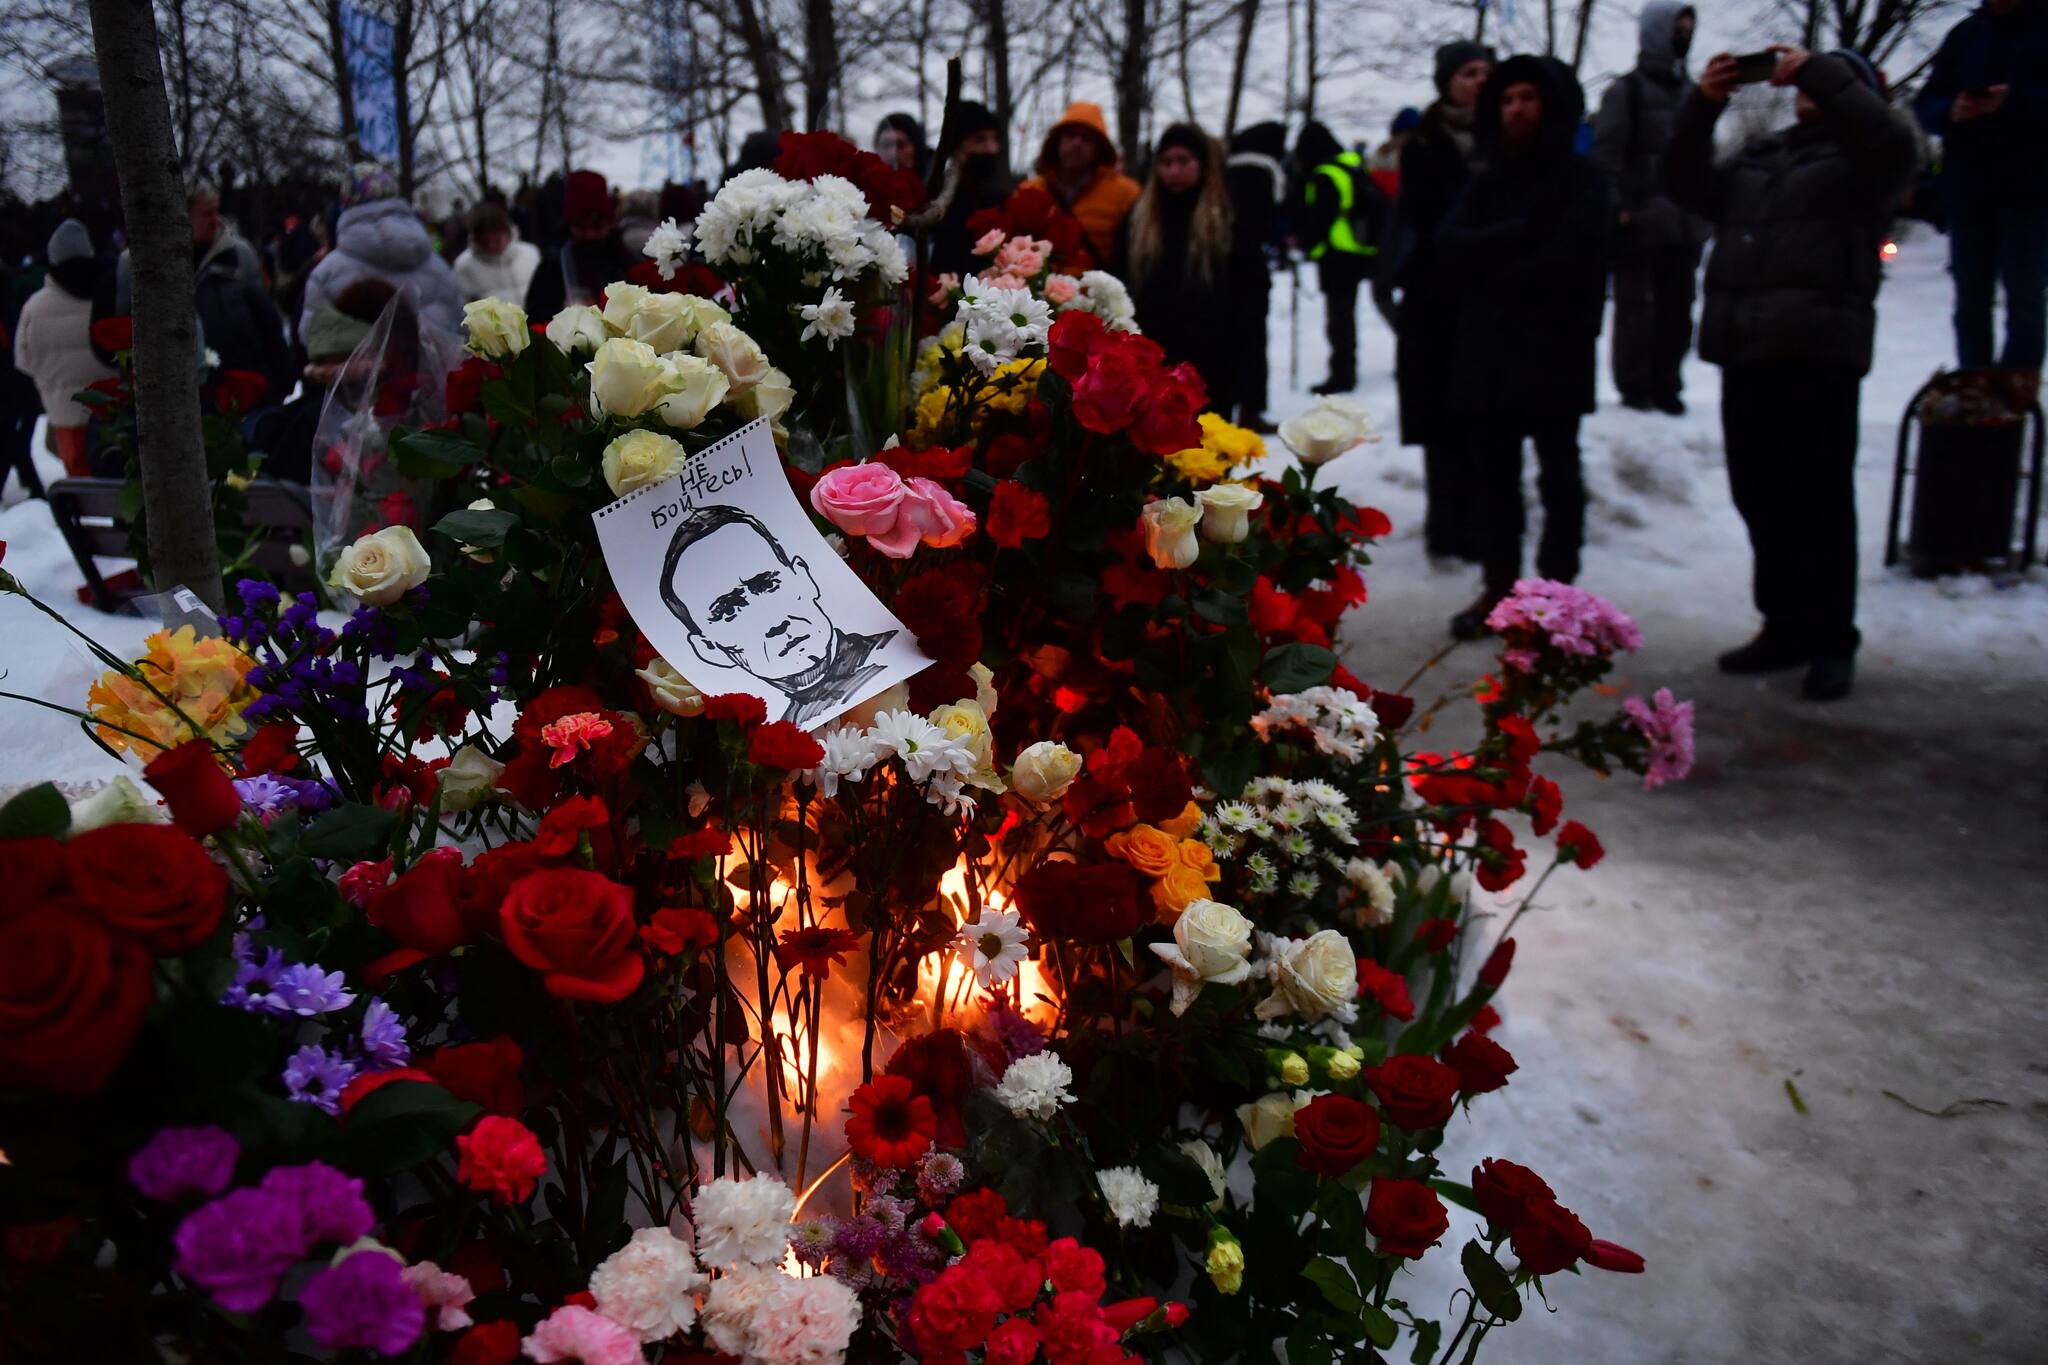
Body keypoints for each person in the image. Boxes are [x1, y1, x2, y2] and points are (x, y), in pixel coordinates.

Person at [1665, 46, 1918, 700]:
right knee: (1761, 495)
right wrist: (1703, 106)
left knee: (1821, 501)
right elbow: (1686, 183)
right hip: (1748, 347)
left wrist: (1820, 70)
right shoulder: (1762, 154)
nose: (1803, 87)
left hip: (1819, 350)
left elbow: (1890, 138)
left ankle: (1832, 638)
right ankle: (1784, 624)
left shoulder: (1867, 157)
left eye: (1827, 80)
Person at [1439, 55, 1614, 638]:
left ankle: (1556, 594)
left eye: (1528, 98)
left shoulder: (1583, 180)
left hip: (1555, 352)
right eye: (1508, 99)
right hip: (1489, 353)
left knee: (1558, 474)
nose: (1517, 109)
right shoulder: (1486, 182)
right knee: (1494, 478)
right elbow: (1451, 247)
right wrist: (1517, 235)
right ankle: (1501, 586)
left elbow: (1569, 259)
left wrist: (1497, 260)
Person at [659, 504, 897, 727]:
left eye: (767, 584)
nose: (775, 623)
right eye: (730, 610)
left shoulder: (894, 653)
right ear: (708, 649)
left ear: (803, 576)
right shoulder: (776, 741)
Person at [1393, 41, 1495, 560]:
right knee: (1441, 415)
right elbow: (1420, 220)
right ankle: (1445, 525)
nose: (1480, 79)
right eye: (1468, 72)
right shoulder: (1426, 142)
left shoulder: (1506, 137)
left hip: (1492, 296)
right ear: (1447, 81)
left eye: (1486, 71)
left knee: (1484, 413)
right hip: (1437, 298)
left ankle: (1482, 525)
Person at [1914, 0, 2048, 391]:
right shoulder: (1965, 36)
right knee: (1970, 297)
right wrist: (1950, 111)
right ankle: (1974, 380)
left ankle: (2017, 385)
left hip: (2029, 189)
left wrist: (2015, 101)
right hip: (1970, 188)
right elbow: (1926, 103)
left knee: (2024, 294)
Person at [1592, 2, 1712, 414]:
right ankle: (1635, 386)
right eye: (1677, 29)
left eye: (1688, 29)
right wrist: (1618, 211)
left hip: (1684, 225)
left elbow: (1703, 158)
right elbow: (1605, 158)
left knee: (1678, 311)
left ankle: (1667, 384)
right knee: (1636, 311)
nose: (1683, 36)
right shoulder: (1627, 92)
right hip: (1640, 224)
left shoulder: (1694, 95)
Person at [94, 181, 296, 406]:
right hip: (169, 405)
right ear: (178, 216)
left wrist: (280, 381)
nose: (216, 220)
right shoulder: (136, 264)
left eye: (217, 211)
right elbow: (119, 334)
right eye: (207, 214)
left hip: (238, 398)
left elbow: (268, 324)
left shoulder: (239, 255)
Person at [1117, 123, 1234, 398]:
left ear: (1202, 164)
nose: (1174, 171)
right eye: (1166, 162)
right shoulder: (1137, 222)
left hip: (1213, 362)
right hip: (1153, 359)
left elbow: (1249, 300)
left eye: (1183, 161)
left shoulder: (1227, 223)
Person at [300, 163, 464, 339]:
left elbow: (311, 337)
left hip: (360, 366)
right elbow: (461, 328)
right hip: (434, 365)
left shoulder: (326, 274)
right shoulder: (438, 267)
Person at [1293, 121, 1388, 394]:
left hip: (1337, 253)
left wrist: (1308, 244)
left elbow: (1320, 217)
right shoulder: (1352, 165)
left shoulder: (1325, 174)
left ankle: (1342, 374)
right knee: (1345, 315)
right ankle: (1345, 369)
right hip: (1359, 250)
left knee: (1339, 318)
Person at [13, 220, 114, 477]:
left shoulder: (34, 308)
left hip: (65, 415)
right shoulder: (111, 294)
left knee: (83, 487)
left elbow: (23, 360)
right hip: (115, 411)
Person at [1020, 102, 1140, 269]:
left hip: (1099, 292)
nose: (1077, 143)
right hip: (1039, 292)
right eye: (1070, 135)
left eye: (1087, 138)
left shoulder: (1126, 193)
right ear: (1057, 141)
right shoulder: (1029, 191)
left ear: (1100, 147)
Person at [1225, 121, 1288, 430]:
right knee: (1253, 341)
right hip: (1251, 266)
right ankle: (1251, 407)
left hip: (1226, 268)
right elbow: (1270, 222)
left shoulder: (1228, 171)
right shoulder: (1267, 173)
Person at [525, 169, 638, 321]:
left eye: (597, 227)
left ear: (609, 224)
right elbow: (535, 314)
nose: (590, 234)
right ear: (569, 225)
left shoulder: (622, 257)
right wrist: (564, 312)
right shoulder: (554, 264)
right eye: (581, 227)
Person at [929, 101, 1012, 276]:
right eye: (979, 139)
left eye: (995, 139)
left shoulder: (1002, 201)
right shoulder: (934, 201)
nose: (991, 149)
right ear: (956, 147)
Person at [453, 201, 541, 305]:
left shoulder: (530, 254)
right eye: (484, 242)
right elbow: (462, 307)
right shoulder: (464, 265)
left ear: (508, 233)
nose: (491, 246)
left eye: (497, 240)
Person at [875, 112, 931, 178]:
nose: (892, 154)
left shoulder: (943, 183)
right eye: (886, 145)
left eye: (900, 145)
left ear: (917, 147)